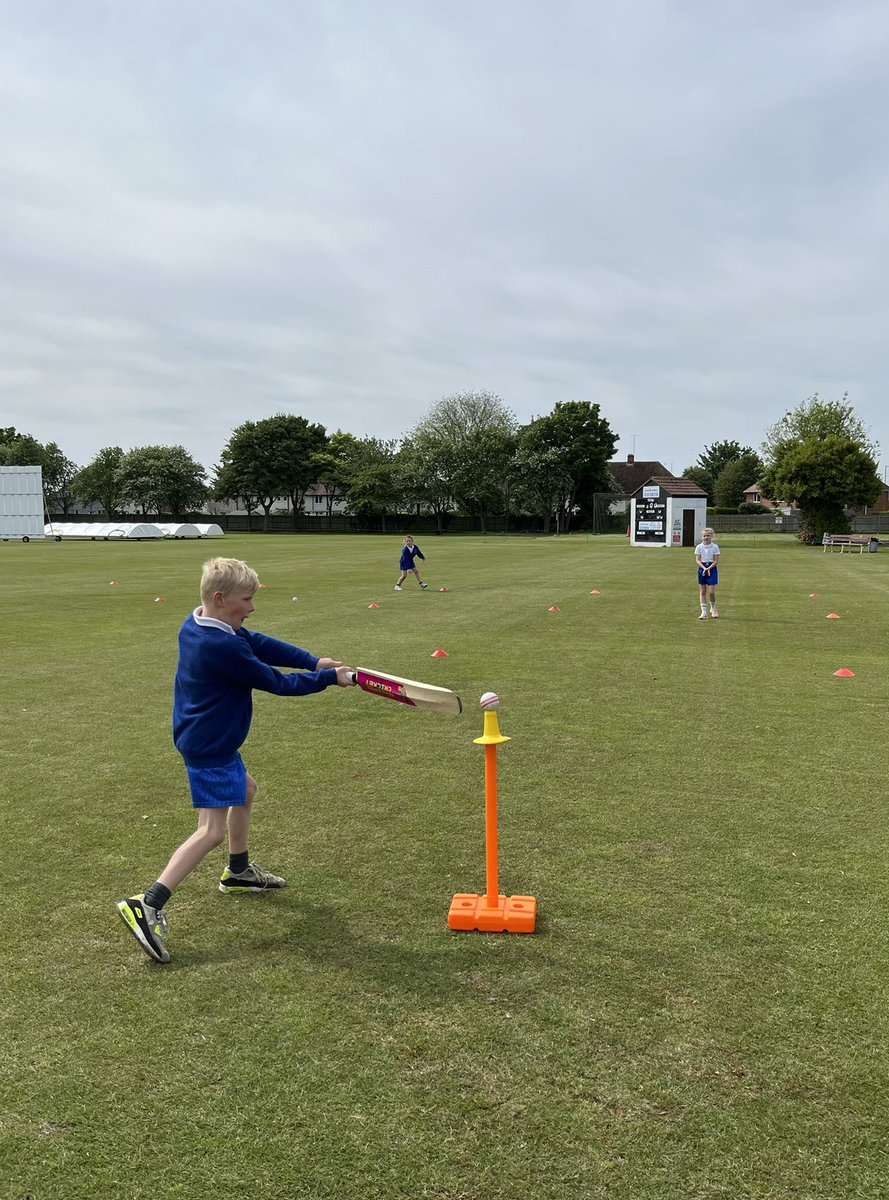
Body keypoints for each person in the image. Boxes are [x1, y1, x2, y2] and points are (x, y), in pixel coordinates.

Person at [117, 556, 355, 963]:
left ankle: (239, 871)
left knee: (246, 790)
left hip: (208, 737)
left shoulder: (200, 623)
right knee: (209, 831)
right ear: (221, 597)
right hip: (209, 743)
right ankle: (149, 902)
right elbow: (274, 681)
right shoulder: (219, 644)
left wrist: (313, 661)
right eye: (246, 599)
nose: (252, 607)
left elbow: (259, 642)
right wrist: (328, 679)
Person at [695, 528, 720, 619]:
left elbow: (716, 561)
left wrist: (709, 568)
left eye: (708, 536)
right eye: (704, 536)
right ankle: (704, 612)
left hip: (712, 569)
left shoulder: (715, 547)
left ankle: (713, 608)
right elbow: (698, 560)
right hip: (702, 569)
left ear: (711, 536)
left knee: (711, 592)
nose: (706, 537)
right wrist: (704, 568)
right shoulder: (699, 547)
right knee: (703, 591)